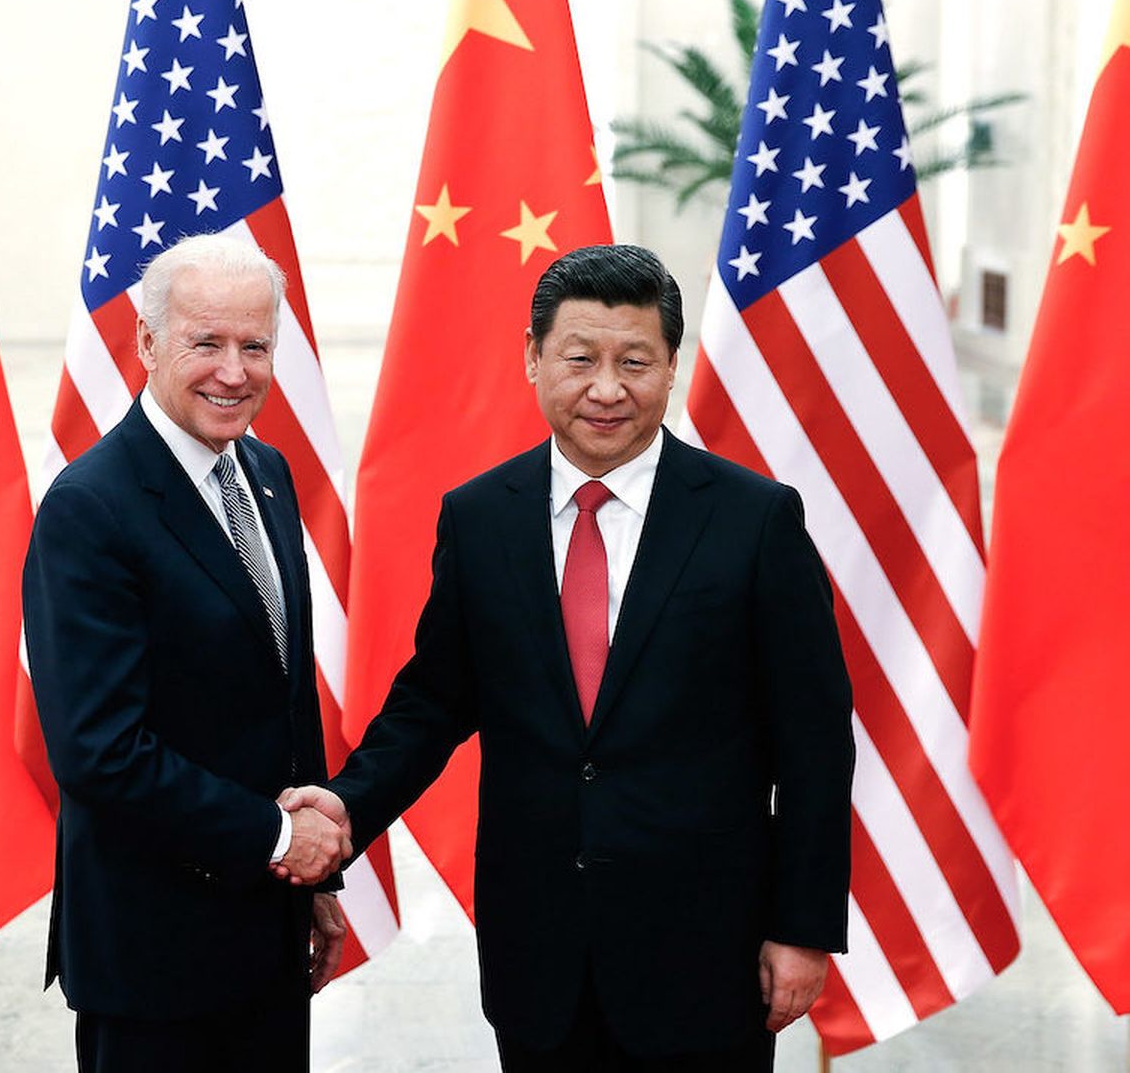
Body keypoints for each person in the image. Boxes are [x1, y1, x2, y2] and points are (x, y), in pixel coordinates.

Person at [283, 244, 854, 1070]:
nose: (607, 389)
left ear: (670, 368)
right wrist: (344, 810)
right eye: (580, 359)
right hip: (538, 952)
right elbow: (434, 703)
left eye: (635, 361)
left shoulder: (754, 520)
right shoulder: (480, 519)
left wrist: (801, 929)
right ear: (533, 357)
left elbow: (813, 742)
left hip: (706, 952)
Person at [24, 232, 348, 1073]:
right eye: (206, 343)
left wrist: (314, 883)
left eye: (256, 345)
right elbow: (99, 752)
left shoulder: (267, 474)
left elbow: (284, 692)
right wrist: (281, 839)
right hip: (153, 960)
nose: (234, 372)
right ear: (146, 343)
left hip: (267, 938)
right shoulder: (91, 507)